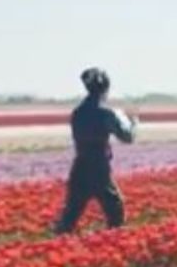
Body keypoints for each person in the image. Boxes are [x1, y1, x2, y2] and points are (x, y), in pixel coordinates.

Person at [54, 67, 137, 234]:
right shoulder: (105, 113)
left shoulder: (78, 112)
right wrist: (131, 122)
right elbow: (127, 137)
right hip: (98, 165)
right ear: (105, 88)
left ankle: (56, 244)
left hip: (80, 165)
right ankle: (115, 243)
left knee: (71, 213)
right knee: (115, 209)